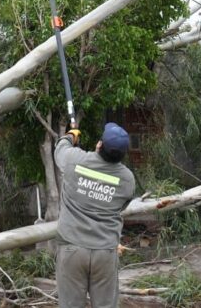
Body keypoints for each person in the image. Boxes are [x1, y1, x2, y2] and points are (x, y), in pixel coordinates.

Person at [54, 122, 136, 308]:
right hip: (104, 253)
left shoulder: (75, 160)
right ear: (122, 155)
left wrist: (71, 136)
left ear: (99, 145)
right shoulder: (127, 180)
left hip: (71, 248)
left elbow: (60, 149)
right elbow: (121, 206)